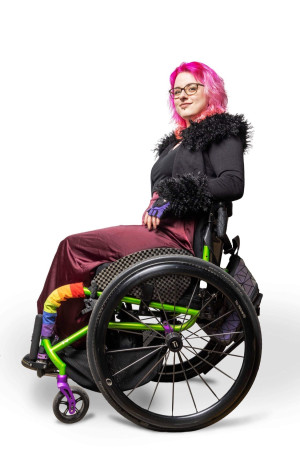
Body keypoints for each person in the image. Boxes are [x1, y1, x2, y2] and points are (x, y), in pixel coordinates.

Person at [37, 61, 251, 341]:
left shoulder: (221, 131)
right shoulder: (178, 140)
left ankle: (62, 336)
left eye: (191, 88)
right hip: (160, 232)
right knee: (75, 247)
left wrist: (171, 197)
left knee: (74, 248)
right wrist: (159, 201)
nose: (183, 95)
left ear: (210, 91)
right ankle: (68, 332)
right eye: (176, 91)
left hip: (181, 240)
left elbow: (232, 183)